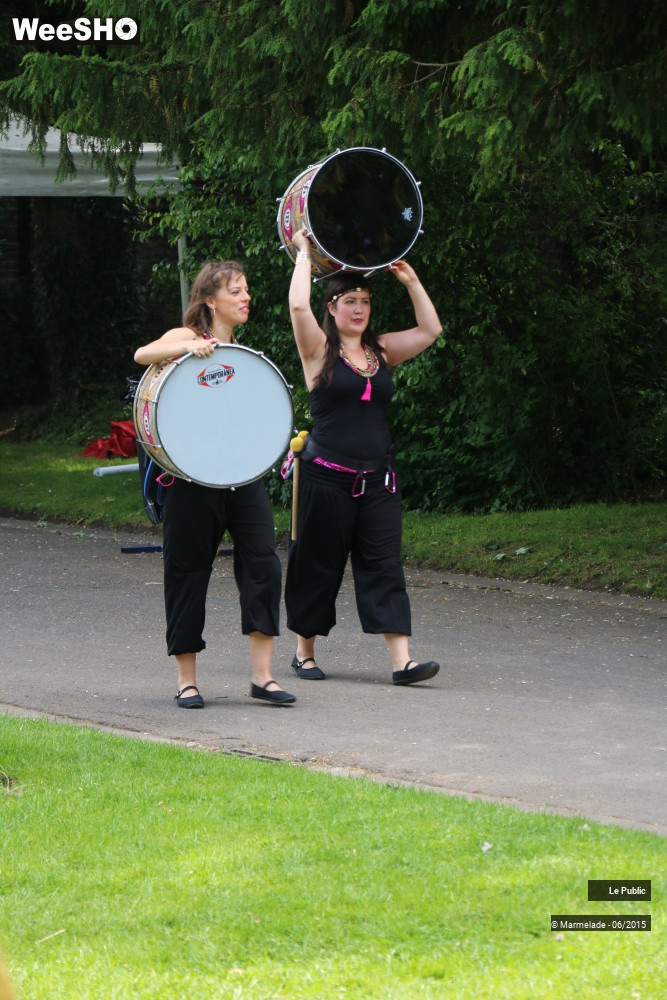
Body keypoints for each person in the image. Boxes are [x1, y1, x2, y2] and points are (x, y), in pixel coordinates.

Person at [285, 228, 442, 685]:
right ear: (331, 308)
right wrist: (304, 256)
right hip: (326, 478)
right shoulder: (318, 350)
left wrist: (411, 282)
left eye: (366, 301)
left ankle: (402, 662)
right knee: (317, 563)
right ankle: (304, 652)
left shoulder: (382, 350)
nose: (359, 309)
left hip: (378, 481)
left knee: (384, 564)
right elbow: (298, 306)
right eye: (349, 301)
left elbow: (431, 330)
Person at [134, 260, 295, 708]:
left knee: (263, 566)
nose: (246, 298)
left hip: (243, 479)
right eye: (237, 291)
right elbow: (141, 356)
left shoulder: (242, 356)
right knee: (187, 572)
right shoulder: (186, 338)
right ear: (210, 299)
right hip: (191, 480)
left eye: (247, 290)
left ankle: (263, 677)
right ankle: (187, 680)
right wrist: (187, 350)